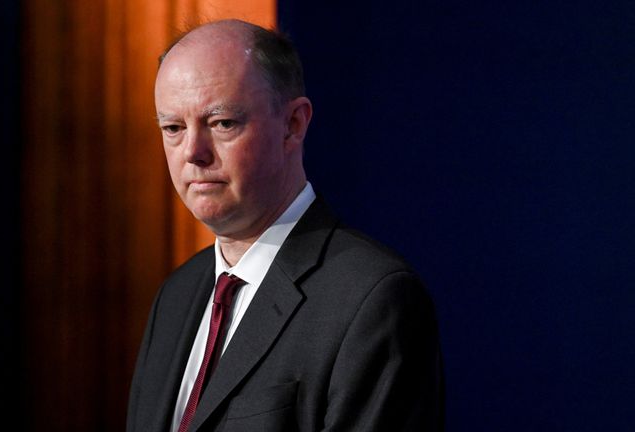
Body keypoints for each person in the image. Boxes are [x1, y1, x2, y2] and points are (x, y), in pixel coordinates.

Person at [126, 19, 443, 432]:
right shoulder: (176, 295)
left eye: (222, 123)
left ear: (293, 125)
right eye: (173, 128)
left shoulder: (372, 299)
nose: (193, 152)